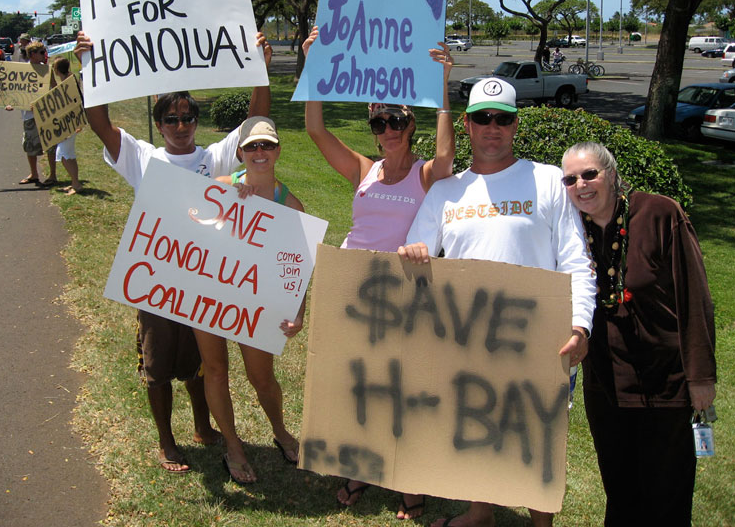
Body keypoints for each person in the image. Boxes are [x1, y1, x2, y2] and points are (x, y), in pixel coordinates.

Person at [398, 77, 596, 527]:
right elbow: (414, 251)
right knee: (473, 426)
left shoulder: (547, 180)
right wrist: (415, 252)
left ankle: (541, 523)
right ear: (467, 125)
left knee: (538, 436)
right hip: (467, 338)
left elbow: (576, 259)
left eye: (502, 118)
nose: (493, 127)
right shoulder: (446, 191)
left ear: (515, 125)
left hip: (538, 336)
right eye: (483, 118)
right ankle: (479, 512)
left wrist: (580, 325)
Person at [73, 30, 273, 474]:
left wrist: (260, 69)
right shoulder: (143, 158)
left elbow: (256, 121)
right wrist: (91, 68)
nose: (181, 126)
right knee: (159, 363)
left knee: (200, 361)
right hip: (158, 280)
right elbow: (100, 124)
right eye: (172, 119)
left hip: (203, 280)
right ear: (159, 124)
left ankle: (203, 427)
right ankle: (166, 441)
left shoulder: (214, 159)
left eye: (188, 117)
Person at [302, 26, 456, 520]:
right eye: (379, 123)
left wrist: (442, 85)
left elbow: (448, 156)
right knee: (359, 383)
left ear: (411, 125)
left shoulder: (425, 173)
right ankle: (362, 467)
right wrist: (314, 63)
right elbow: (315, 131)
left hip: (402, 293)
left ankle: (407, 478)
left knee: (402, 388)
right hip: (352, 288)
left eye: (396, 121)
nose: (388, 130)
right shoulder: (362, 169)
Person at [561, 142, 716, 526]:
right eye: (570, 179)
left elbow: (694, 296)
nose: (581, 185)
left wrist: (701, 376)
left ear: (612, 174)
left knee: (666, 494)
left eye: (590, 174)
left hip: (665, 383)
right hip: (607, 385)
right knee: (620, 491)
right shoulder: (571, 228)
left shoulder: (661, 213)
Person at [192, 117, 306, 485]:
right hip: (211, 294)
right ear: (241, 153)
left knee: (262, 378)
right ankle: (233, 446)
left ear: (278, 151)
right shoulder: (221, 187)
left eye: (267, 145)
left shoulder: (291, 205)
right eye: (252, 146)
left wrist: (299, 311)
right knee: (215, 370)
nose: (259, 152)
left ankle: (281, 431)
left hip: (255, 301)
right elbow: (190, 234)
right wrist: (228, 204)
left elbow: (298, 265)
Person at [6, 41, 58, 186]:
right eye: (41, 52)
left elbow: (55, 89)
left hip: (46, 114)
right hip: (29, 116)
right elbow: (17, 91)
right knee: (30, 145)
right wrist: (11, 104)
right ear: (33, 54)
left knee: (50, 145)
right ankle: (34, 174)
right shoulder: (23, 70)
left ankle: (53, 175)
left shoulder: (47, 70)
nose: (44, 55)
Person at [51, 56, 84, 195]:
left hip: (71, 123)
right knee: (69, 154)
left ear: (57, 69)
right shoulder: (69, 79)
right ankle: (74, 183)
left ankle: (76, 184)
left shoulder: (69, 82)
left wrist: (77, 123)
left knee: (63, 155)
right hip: (70, 122)